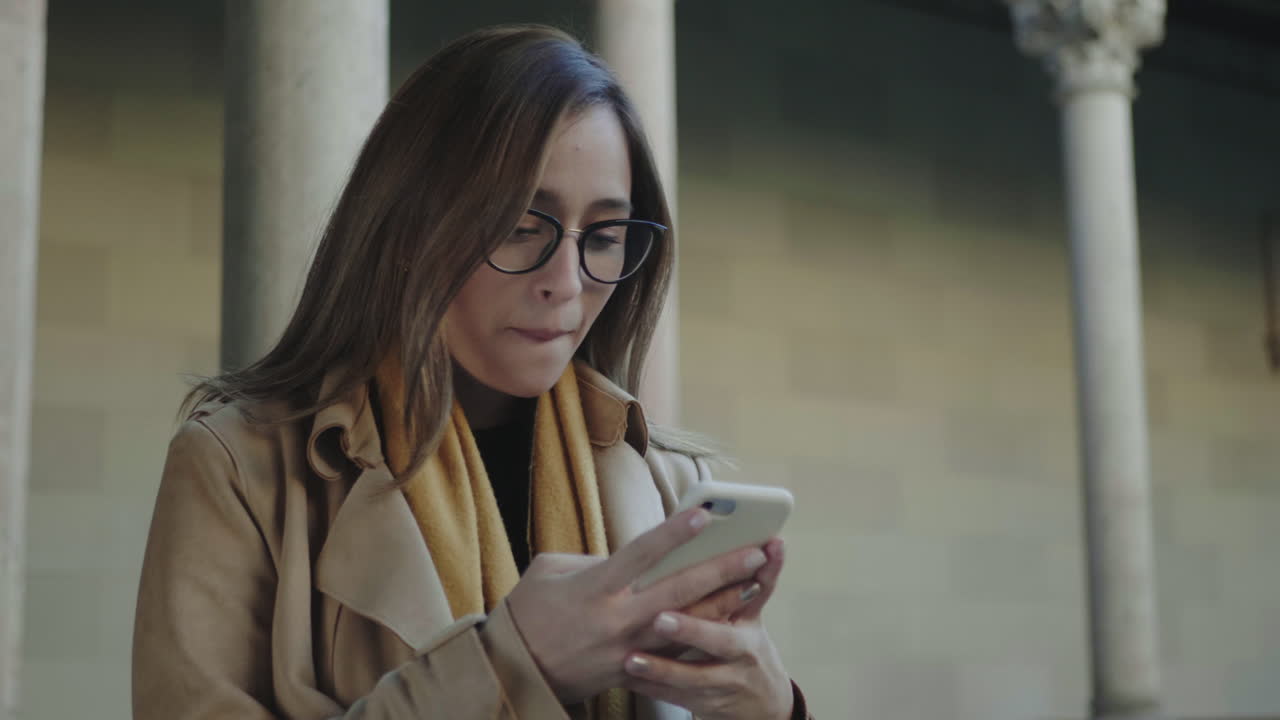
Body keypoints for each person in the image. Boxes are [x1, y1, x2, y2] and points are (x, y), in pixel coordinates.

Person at [133, 25, 810, 720]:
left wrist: (770, 708)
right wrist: (512, 667)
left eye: (604, 237)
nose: (567, 282)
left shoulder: (668, 483)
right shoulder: (239, 469)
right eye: (521, 226)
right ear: (408, 228)